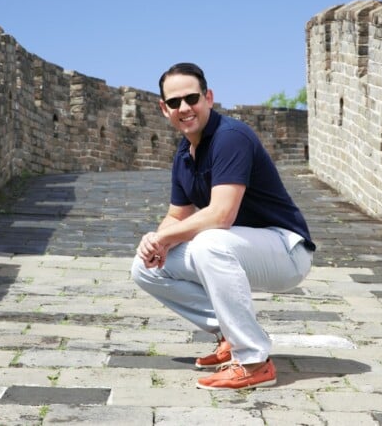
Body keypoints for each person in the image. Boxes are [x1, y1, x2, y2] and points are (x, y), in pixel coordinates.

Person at [131, 62, 316, 390]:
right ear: (164, 109)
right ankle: (231, 334)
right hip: (240, 246)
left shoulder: (231, 137)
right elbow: (177, 215)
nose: (184, 108)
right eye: (174, 103)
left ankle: (254, 361)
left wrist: (161, 237)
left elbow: (221, 215)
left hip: (286, 250)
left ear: (208, 97)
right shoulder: (184, 153)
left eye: (192, 98)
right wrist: (155, 244)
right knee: (145, 268)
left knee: (209, 242)